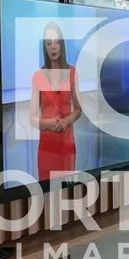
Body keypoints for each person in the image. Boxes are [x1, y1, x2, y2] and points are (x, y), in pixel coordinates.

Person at [30, 21, 81, 181]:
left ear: (61, 44)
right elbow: (32, 118)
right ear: (45, 47)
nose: (53, 47)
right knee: (47, 191)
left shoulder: (72, 72)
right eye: (48, 43)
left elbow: (78, 109)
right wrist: (49, 123)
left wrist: (66, 121)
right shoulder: (38, 76)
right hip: (47, 148)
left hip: (67, 145)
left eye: (56, 42)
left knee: (68, 190)